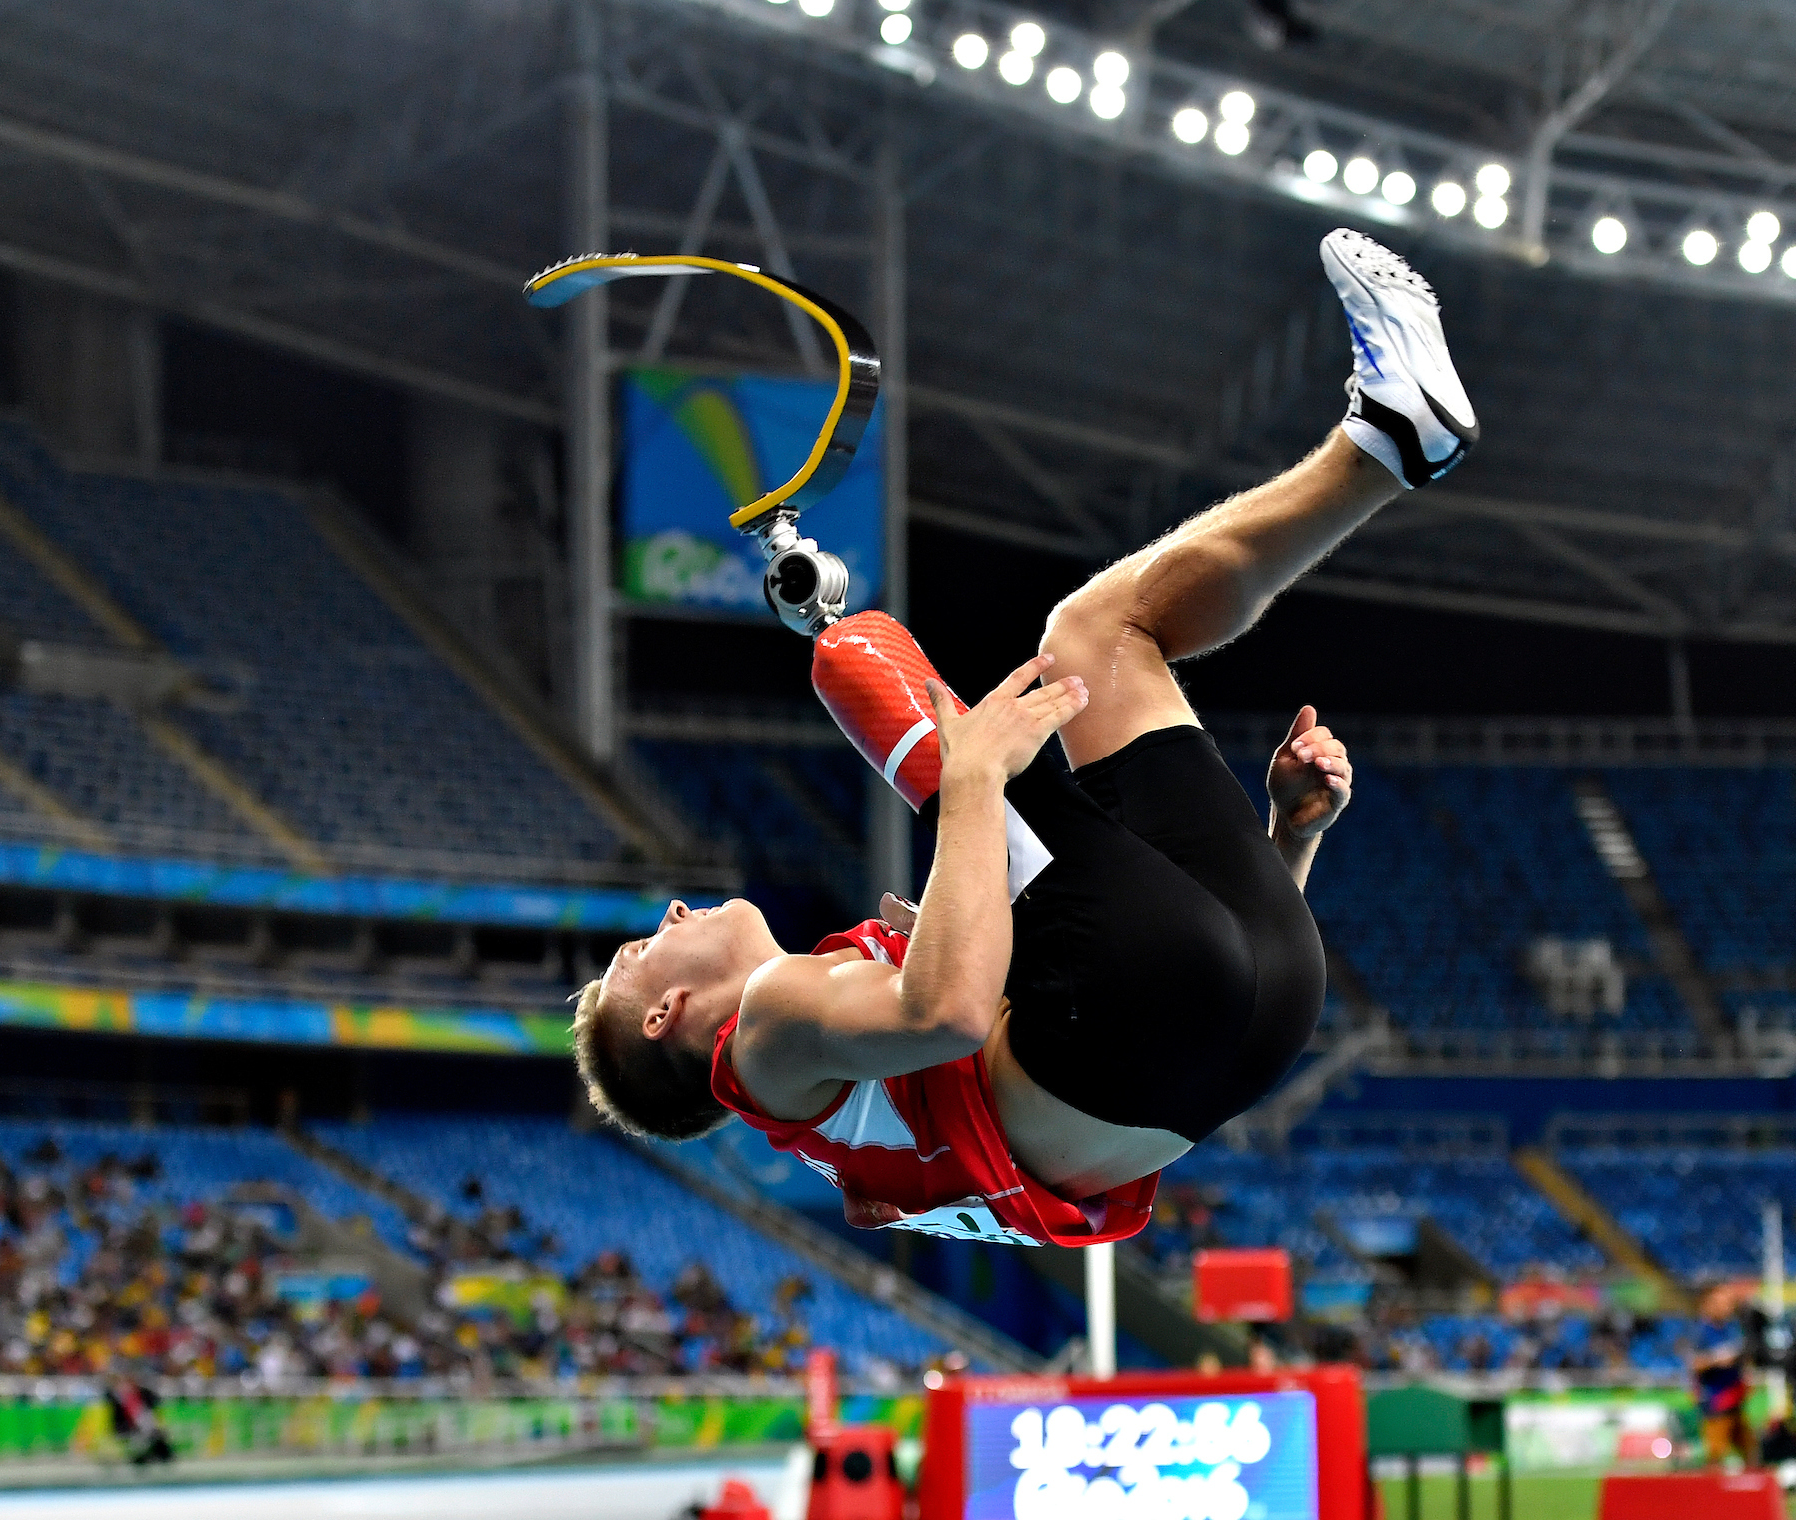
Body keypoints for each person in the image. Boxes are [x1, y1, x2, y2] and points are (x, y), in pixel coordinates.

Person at [571, 230, 1474, 1246]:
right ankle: (1377, 447)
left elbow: (1191, 991)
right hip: (1135, 1027)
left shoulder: (839, 1071)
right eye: (647, 946)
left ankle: (1392, 437)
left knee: (1089, 651)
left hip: (1254, 1019)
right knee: (1072, 653)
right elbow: (949, 1016)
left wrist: (1288, 840)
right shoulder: (769, 1024)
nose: (676, 909)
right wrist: (969, 785)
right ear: (668, 1014)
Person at [1691, 1283, 1758, 1468]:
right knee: (1716, 1452)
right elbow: (1694, 1364)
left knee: (1749, 1448)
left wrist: (1747, 1373)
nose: (1727, 1308)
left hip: (1735, 1396)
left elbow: (1743, 1355)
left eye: (1729, 1303)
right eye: (1721, 1303)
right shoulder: (1700, 1331)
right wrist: (1716, 1360)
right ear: (1708, 1304)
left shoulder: (1732, 1328)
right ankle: (1712, 1492)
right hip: (1716, 1400)